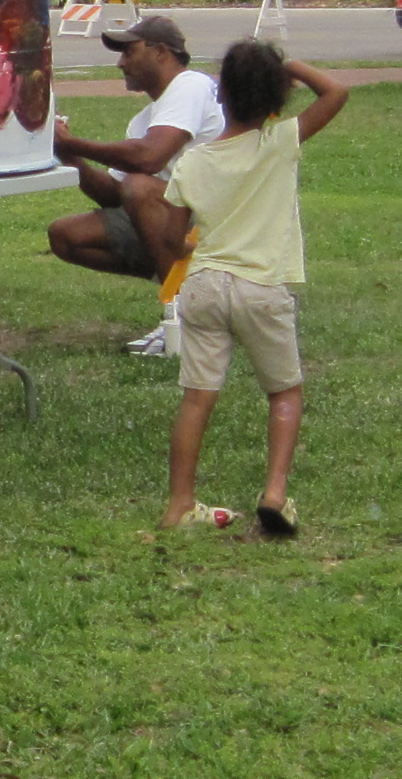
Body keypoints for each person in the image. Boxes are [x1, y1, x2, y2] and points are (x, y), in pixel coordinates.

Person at [119, 36, 348, 537]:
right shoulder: (279, 142)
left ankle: (179, 505)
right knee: (284, 393)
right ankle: (275, 494)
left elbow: (172, 236)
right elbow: (336, 93)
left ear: (220, 93)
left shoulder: (194, 161)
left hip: (203, 286)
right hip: (261, 287)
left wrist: (188, 247)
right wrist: (289, 65)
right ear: (278, 97)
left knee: (197, 398)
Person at [46, 14, 224, 354]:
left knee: (140, 188)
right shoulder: (144, 120)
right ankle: (187, 281)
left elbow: (149, 159)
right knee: (66, 235)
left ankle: (183, 317)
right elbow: (114, 196)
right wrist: (71, 158)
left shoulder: (190, 85)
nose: (121, 63)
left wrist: (75, 143)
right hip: (174, 222)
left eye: (129, 52)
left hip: (212, 224)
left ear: (161, 52)